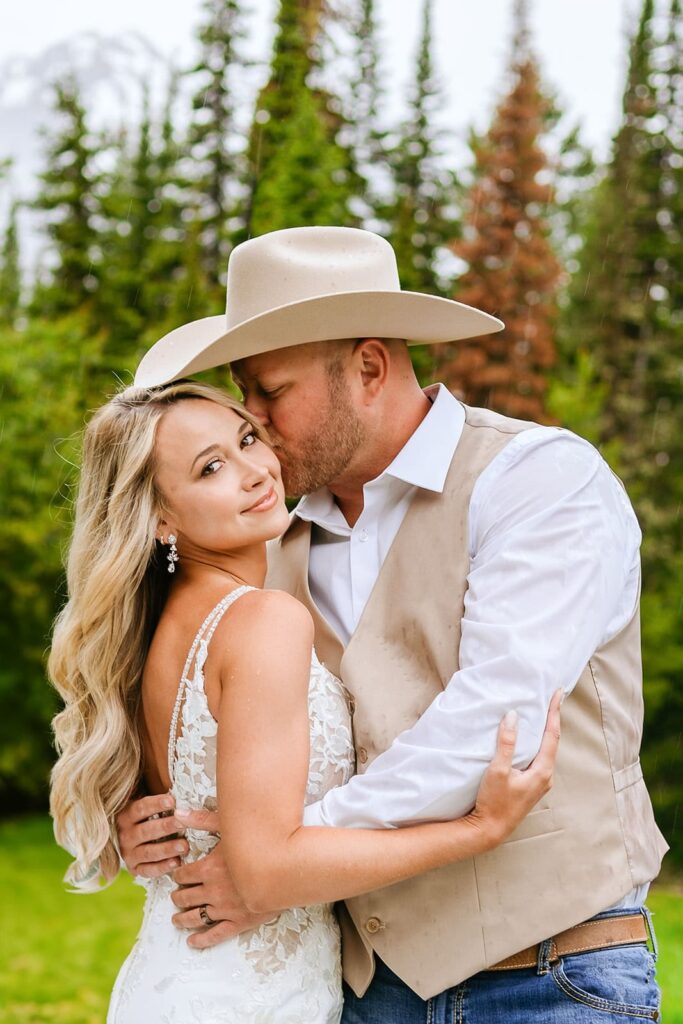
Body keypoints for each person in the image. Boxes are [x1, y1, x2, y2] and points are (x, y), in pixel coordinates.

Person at [120, 225, 667, 1022]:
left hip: (548, 979)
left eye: (270, 391)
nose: (257, 424)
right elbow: (208, 718)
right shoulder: (262, 539)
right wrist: (151, 820)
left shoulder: (540, 481)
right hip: (364, 994)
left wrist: (273, 861)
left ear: (369, 368)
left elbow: (495, 725)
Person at [49, 379, 561, 1024]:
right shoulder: (263, 620)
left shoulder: (163, 632)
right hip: (248, 998)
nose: (255, 471)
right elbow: (266, 873)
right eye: (210, 469)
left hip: (182, 975)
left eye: (245, 440)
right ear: (161, 518)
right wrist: (476, 830)